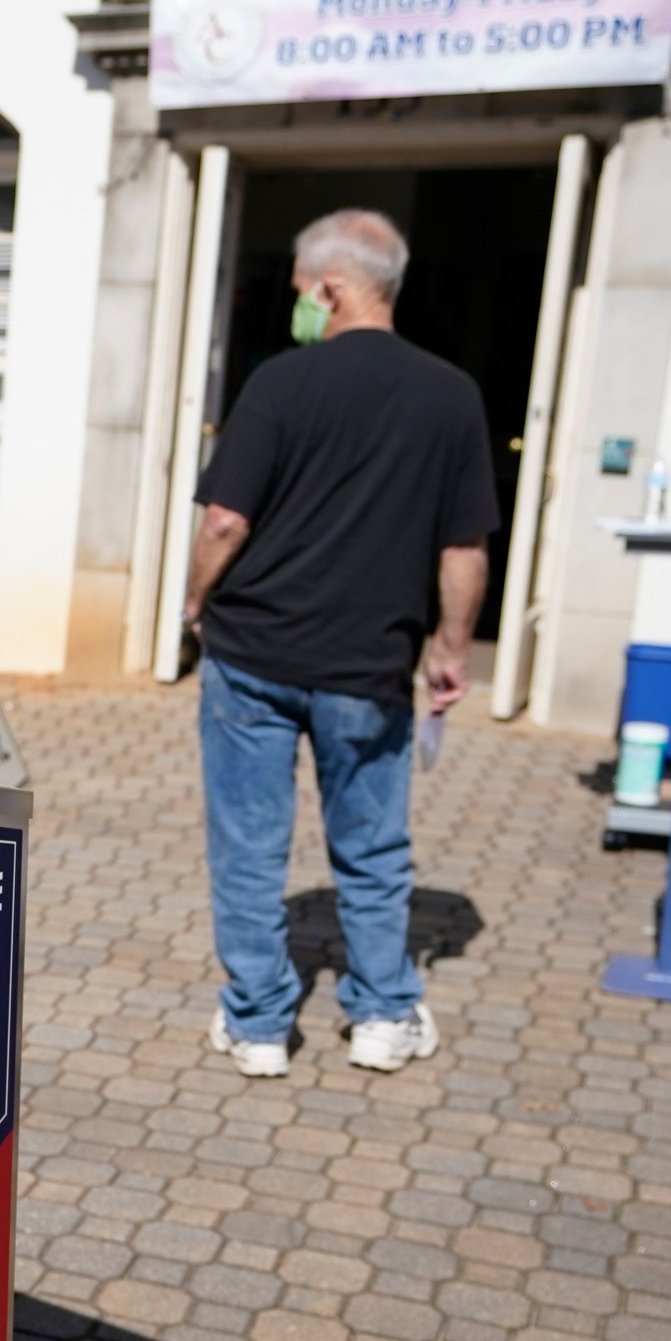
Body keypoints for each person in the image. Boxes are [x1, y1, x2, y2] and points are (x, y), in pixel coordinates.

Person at [180, 208, 498, 1079]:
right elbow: (464, 548)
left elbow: (224, 519)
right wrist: (451, 648)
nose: (296, 308)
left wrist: (194, 603)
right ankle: (384, 1017)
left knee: (249, 846)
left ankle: (256, 1027)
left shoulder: (281, 384)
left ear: (331, 289)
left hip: (254, 654)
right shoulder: (452, 395)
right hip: (369, 663)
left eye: (298, 292)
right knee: (373, 847)